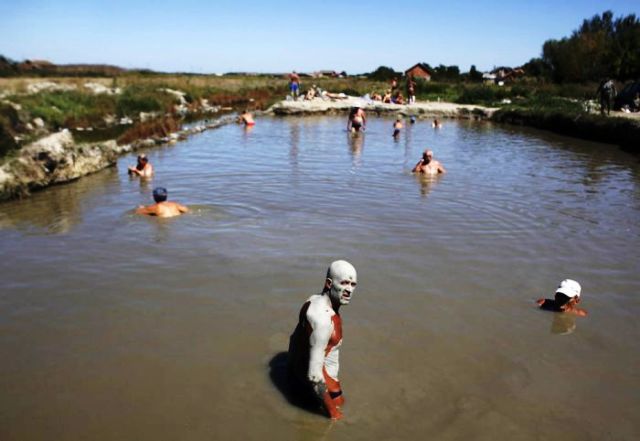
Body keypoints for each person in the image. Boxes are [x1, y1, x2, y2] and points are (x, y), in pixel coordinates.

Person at [288, 260, 358, 420]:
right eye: (344, 283)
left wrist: (291, 369)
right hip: (324, 388)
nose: (349, 290)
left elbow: (295, 339)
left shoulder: (312, 300)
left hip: (296, 375)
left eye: (353, 285)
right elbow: (314, 376)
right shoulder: (323, 321)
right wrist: (334, 413)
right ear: (329, 283)